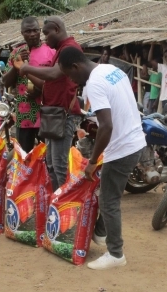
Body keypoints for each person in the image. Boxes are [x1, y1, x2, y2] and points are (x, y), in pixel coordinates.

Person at [58, 46, 146, 270]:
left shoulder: (94, 84)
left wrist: (93, 160)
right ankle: (100, 232)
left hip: (122, 147)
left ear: (76, 67)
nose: (71, 80)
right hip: (134, 139)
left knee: (109, 201)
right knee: (109, 193)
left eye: (69, 75)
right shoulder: (110, 68)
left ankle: (116, 254)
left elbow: (106, 126)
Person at [14, 16, 82, 191]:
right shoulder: (60, 50)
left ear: (57, 30)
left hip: (63, 113)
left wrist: (27, 68)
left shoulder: (69, 49)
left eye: (46, 33)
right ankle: (55, 204)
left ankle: (63, 207)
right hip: (53, 113)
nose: (44, 38)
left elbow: (53, 74)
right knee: (51, 163)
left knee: (59, 165)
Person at [2, 17, 55, 153]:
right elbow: (6, 82)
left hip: (47, 112)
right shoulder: (16, 53)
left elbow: (56, 80)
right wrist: (16, 66)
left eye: (35, 30)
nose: (32, 34)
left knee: (47, 155)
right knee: (24, 155)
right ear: (22, 33)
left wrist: (39, 90)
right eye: (28, 31)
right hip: (24, 114)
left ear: (40, 31)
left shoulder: (51, 51)